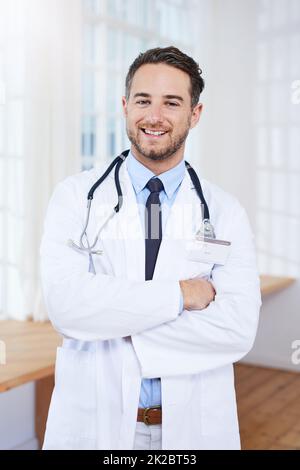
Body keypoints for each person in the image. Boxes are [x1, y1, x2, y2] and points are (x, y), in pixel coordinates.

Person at [40, 46, 261, 450]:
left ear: (195, 114)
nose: (154, 116)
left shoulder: (226, 212)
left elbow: (237, 329)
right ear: (125, 106)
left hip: (192, 425)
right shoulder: (75, 198)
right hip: (95, 423)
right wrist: (181, 295)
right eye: (143, 100)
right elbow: (66, 305)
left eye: (172, 103)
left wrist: (116, 326)